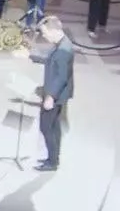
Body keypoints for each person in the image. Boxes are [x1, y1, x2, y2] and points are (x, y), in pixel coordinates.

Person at [26, 16, 74, 172]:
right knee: (54, 127)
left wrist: (50, 97)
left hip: (55, 95)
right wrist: (30, 55)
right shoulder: (61, 43)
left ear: (54, 30)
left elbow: (61, 77)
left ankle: (52, 162)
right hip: (59, 94)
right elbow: (49, 60)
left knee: (46, 127)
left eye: (45, 33)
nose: (44, 36)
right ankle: (53, 158)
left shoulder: (63, 50)